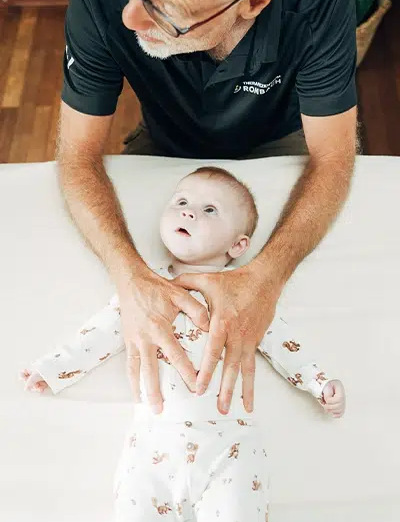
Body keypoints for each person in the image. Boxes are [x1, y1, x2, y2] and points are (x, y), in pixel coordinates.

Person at [58, 0, 358, 416]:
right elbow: (77, 154)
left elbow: (334, 155)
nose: (129, 17)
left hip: (278, 138)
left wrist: (264, 279)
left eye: (165, 8)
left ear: (257, 1)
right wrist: (129, 277)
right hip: (164, 140)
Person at [21, 167, 345, 522]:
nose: (189, 211)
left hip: (231, 447)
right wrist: (53, 369)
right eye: (182, 202)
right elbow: (99, 333)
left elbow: (284, 343)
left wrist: (319, 381)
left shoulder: (245, 297)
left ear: (238, 245)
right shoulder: (144, 291)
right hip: (151, 444)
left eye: (210, 210)